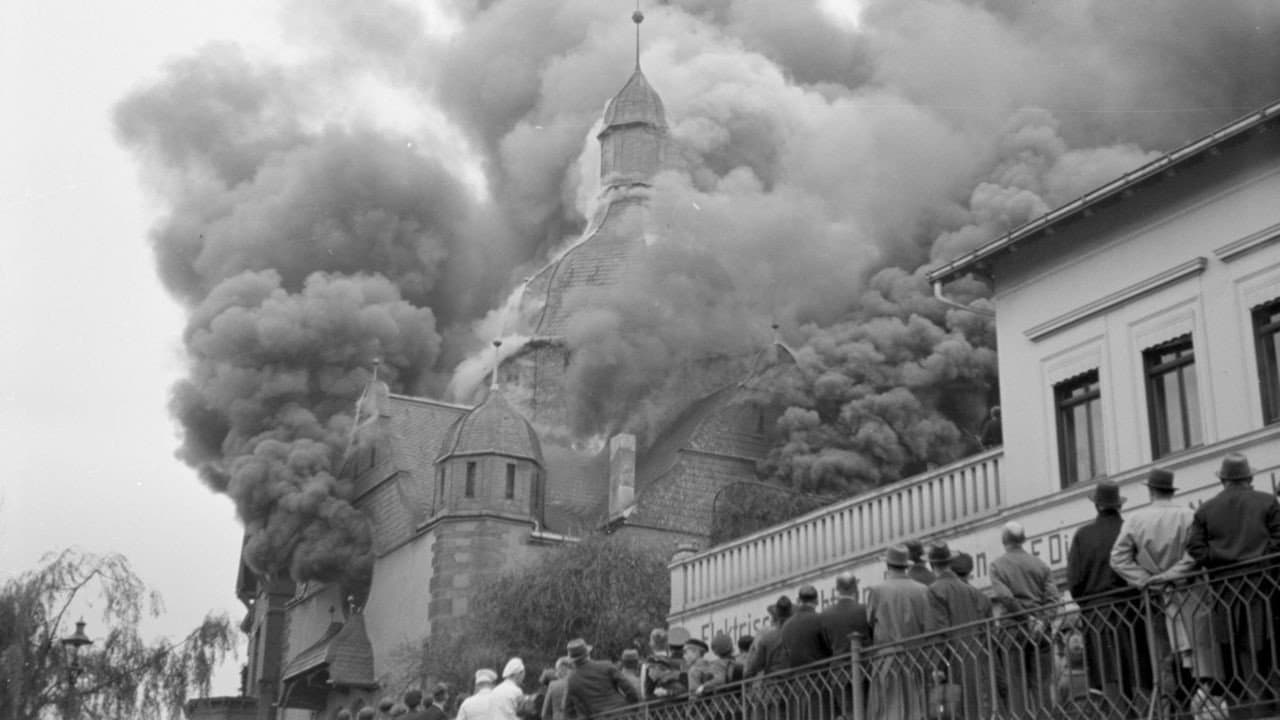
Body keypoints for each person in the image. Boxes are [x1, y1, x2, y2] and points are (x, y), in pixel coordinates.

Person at [1178, 454, 1280, 716]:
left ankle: (1247, 711)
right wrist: (1260, 560)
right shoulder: (1267, 502)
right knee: (1269, 649)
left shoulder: (1206, 510)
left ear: (1223, 480)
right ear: (1249, 478)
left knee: (1237, 655)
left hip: (1226, 592)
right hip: (1265, 587)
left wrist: (1221, 560)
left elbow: (1195, 549)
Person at [1110, 468, 1211, 710]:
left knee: (1164, 657)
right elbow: (1195, 553)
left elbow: (1118, 559)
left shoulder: (1135, 520)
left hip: (1155, 598)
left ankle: (1171, 708)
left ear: (1151, 491)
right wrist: (1172, 575)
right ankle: (1199, 704)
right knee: (1197, 653)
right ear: (1171, 490)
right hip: (1190, 592)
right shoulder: (1189, 515)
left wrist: (1147, 580)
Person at [990, 521, 1059, 718]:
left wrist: (1025, 618)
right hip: (1040, 631)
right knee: (1043, 684)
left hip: (1012, 631)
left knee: (1016, 685)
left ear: (1004, 540)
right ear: (1024, 540)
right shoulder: (1041, 565)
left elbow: (1005, 597)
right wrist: (1042, 621)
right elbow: (1054, 598)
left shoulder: (997, 566)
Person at [926, 542, 993, 720]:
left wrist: (937, 667)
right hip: (974, 659)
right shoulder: (971, 591)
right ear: (949, 563)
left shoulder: (934, 590)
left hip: (953, 663)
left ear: (932, 565)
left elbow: (940, 631)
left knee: (955, 712)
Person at [866, 545, 931, 720]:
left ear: (887, 565)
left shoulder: (877, 590)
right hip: (916, 657)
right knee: (917, 708)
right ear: (906, 565)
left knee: (887, 711)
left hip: (887, 661)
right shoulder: (922, 590)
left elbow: (871, 621)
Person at [820, 572, 871, 720]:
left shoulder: (826, 614)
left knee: (848, 712)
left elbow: (826, 643)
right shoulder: (864, 609)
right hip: (864, 669)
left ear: (837, 589)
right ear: (855, 587)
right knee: (865, 710)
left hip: (838, 672)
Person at [564, 638, 640, 718]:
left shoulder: (571, 680)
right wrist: (632, 709)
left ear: (572, 660)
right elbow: (629, 688)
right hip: (623, 714)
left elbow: (568, 710)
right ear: (588, 653)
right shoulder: (606, 666)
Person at [744, 596, 792, 678]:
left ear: (774, 618)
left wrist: (747, 675)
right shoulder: (796, 631)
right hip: (798, 682)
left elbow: (756, 664)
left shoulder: (766, 636)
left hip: (774, 683)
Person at [780, 585, 826, 669]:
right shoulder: (820, 619)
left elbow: (785, 656)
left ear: (798, 601)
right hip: (820, 676)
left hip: (796, 678)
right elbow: (828, 647)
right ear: (817, 601)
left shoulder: (786, 625)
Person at [642, 628, 686, 699]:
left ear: (651, 644)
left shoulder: (651, 664)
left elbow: (646, 693)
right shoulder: (678, 663)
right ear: (667, 644)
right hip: (680, 704)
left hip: (659, 706)